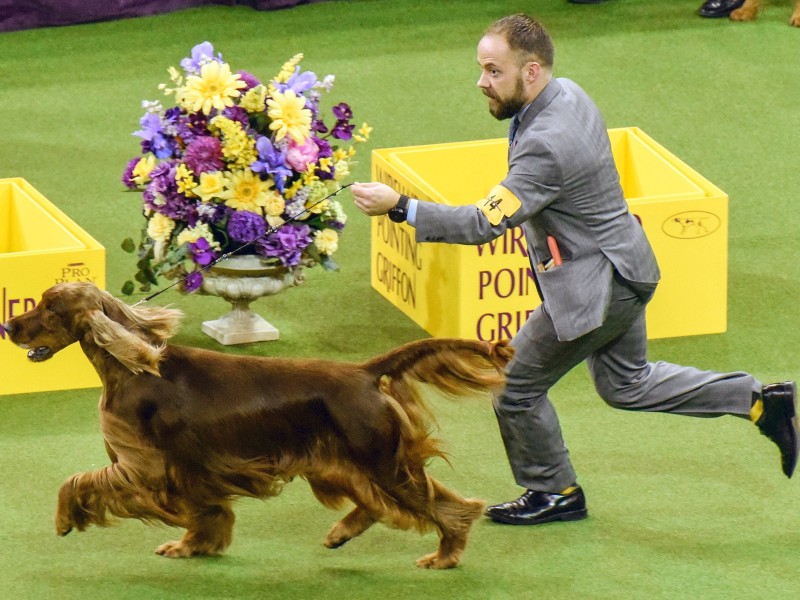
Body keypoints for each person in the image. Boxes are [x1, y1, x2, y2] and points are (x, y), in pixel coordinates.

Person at [350, 14, 798, 526]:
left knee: (513, 386)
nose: (482, 82)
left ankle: (555, 490)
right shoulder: (566, 93)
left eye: (494, 71)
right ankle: (760, 401)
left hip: (598, 287)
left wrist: (399, 206)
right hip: (627, 265)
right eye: (482, 69)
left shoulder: (548, 144)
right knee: (627, 384)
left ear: (532, 71)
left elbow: (481, 224)